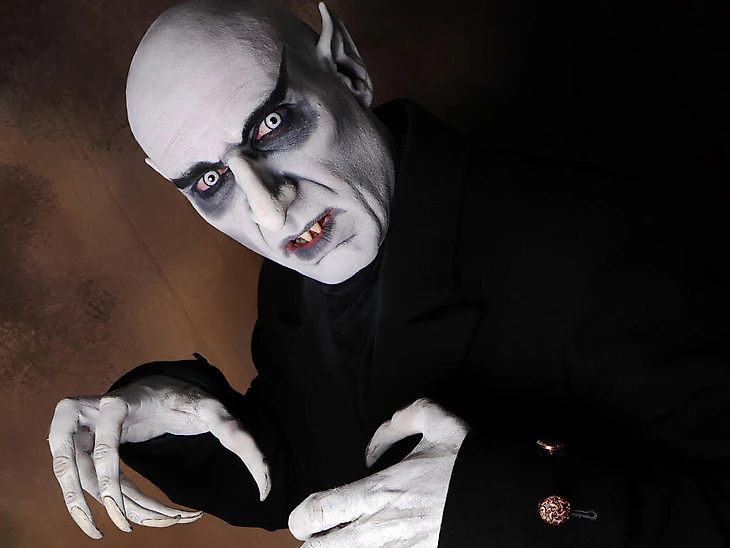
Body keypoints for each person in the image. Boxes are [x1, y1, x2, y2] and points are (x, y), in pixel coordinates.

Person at [49, 0, 730, 546]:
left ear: (346, 70)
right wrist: (161, 409)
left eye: (272, 124)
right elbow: (306, 465)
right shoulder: (297, 272)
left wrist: (496, 505)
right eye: (209, 180)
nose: (269, 210)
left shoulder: (595, 241)